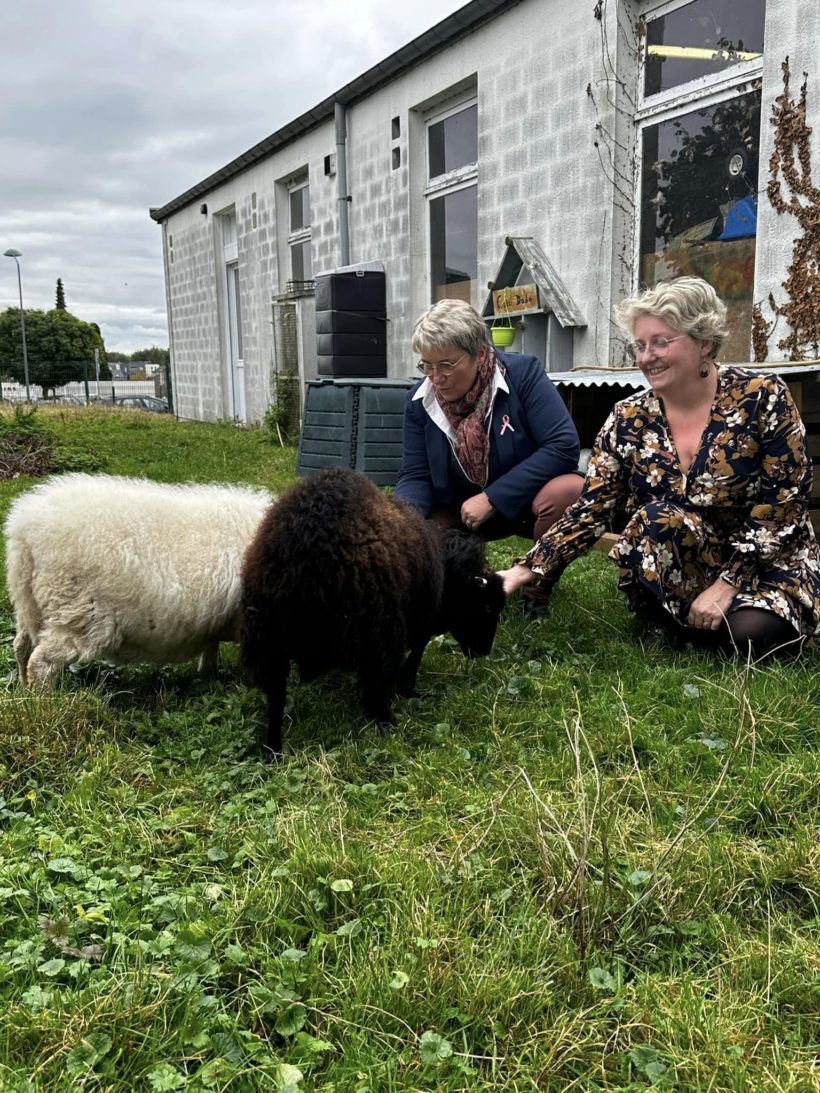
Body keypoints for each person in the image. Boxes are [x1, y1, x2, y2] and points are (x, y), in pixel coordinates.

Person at [499, 276, 820, 658]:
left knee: (750, 636)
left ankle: (704, 620)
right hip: (686, 563)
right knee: (655, 518)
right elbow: (590, 511)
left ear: (704, 342)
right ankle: (673, 617)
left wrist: (728, 584)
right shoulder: (628, 418)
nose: (646, 356)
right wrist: (522, 571)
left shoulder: (763, 398)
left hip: (765, 559)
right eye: (640, 345)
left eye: (660, 342)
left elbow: (783, 507)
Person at [395, 299, 584, 607]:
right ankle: (462, 590)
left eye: (446, 365)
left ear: (480, 353)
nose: (435, 378)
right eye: (426, 365)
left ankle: (536, 590)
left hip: (525, 503)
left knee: (570, 492)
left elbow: (563, 445)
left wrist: (493, 497)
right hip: (459, 510)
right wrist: (401, 523)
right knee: (416, 530)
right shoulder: (418, 401)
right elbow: (415, 473)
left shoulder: (523, 375)